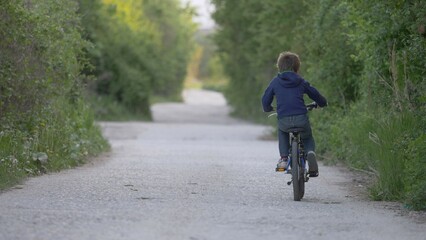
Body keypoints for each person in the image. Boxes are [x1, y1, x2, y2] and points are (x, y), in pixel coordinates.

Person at [261, 51, 327, 177]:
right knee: (307, 136)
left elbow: (265, 100)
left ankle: (284, 159)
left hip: (284, 120)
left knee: (282, 132)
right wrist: (322, 103)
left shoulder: (275, 82)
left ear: (279, 67)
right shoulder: (300, 81)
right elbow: (315, 94)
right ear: (297, 67)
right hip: (301, 118)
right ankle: (310, 153)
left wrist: (267, 108)